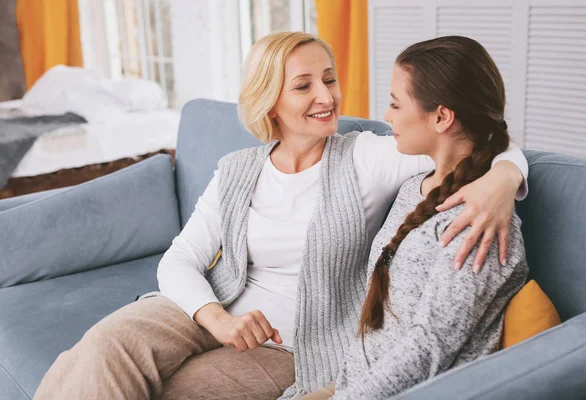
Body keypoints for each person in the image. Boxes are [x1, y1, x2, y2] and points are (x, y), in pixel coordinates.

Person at [34, 32, 528, 400]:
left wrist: (504, 180)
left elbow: (480, 138)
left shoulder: (368, 157)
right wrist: (219, 320)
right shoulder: (238, 169)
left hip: (293, 343)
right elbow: (180, 259)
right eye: (304, 86)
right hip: (212, 307)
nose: (327, 96)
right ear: (271, 100)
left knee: (178, 392)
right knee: (103, 346)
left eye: (330, 79)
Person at [303, 36, 529, 400]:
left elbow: (428, 348)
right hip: (351, 386)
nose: (387, 116)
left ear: (441, 117)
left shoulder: (480, 224)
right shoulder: (414, 188)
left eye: (395, 103)